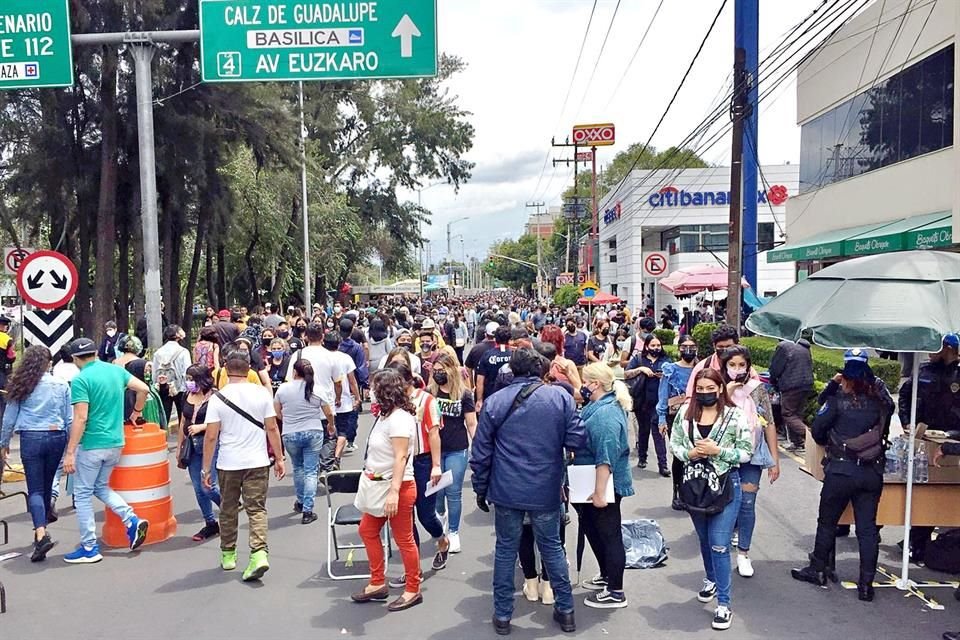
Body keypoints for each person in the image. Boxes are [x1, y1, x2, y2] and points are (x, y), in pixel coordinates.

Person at [471, 347, 585, 636]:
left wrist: (481, 488)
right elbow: (577, 438)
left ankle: (502, 614)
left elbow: (481, 452)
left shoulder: (496, 401)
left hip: (506, 488)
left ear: (512, 370)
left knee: (506, 550)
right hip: (545, 487)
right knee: (552, 548)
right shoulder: (559, 397)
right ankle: (566, 610)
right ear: (540, 369)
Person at [791, 354, 891, 602]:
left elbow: (818, 430)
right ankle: (866, 585)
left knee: (827, 522)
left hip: (841, 471)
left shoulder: (837, 401)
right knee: (867, 529)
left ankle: (817, 569)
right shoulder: (880, 404)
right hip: (871, 472)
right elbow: (888, 417)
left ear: (846, 379)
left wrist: (832, 386)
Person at [670, 368, 752, 631]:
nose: (705, 393)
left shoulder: (735, 416)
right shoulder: (686, 413)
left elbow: (746, 452)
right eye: (700, 389)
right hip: (695, 486)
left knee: (719, 544)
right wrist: (690, 454)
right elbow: (675, 444)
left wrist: (719, 451)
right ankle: (711, 578)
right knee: (704, 539)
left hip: (726, 486)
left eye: (710, 388)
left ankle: (724, 604)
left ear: (720, 389)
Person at [62, 337, 152, 564]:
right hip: (116, 442)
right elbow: (143, 388)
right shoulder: (115, 371)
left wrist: (70, 452)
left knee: (82, 494)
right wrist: (136, 412)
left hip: (92, 444)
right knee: (100, 487)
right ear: (95, 353)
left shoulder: (81, 380)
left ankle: (89, 547)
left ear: (75, 358)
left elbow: (80, 417)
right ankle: (131, 519)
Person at [201, 349, 286, 582]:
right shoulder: (262, 394)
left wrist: (206, 468)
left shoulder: (217, 398)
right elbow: (272, 428)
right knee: (256, 509)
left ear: (226, 369)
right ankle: (258, 554)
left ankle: (228, 554)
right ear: (249, 369)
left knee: (228, 508)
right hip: (257, 461)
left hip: (228, 462)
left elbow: (211, 436)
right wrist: (279, 458)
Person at [351, 368, 422, 611]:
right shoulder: (385, 416)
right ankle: (377, 582)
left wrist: (394, 492)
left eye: (373, 388)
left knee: (403, 539)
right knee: (367, 530)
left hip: (396, 487)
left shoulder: (399, 419)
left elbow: (401, 457)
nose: (370, 392)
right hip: (380, 485)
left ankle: (412, 588)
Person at [0, 346, 72, 562]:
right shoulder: (61, 384)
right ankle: (41, 526)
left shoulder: (22, 385)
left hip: (31, 437)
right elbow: (68, 417)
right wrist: (72, 448)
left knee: (35, 489)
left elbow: (9, 419)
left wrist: (4, 443)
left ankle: (41, 533)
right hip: (56, 436)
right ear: (48, 363)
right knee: (48, 485)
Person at [573, 363, 634, 609]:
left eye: (585, 381)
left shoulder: (605, 414)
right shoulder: (597, 406)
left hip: (604, 484)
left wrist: (599, 493)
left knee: (609, 534)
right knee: (593, 529)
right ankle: (607, 574)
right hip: (590, 480)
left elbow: (605, 457)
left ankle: (616, 591)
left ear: (595, 384)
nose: (582, 386)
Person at [384, 361, 450, 585]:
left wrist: (436, 465)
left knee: (425, 514)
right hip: (400, 462)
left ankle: (442, 539)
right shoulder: (392, 403)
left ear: (406, 381)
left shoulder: (427, 400)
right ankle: (413, 568)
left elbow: (434, 433)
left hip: (422, 461)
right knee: (405, 517)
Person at [718, 345, 780, 578]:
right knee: (724, 503)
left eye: (741, 365)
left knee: (747, 503)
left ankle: (743, 553)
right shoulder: (716, 386)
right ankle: (720, 550)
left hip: (752, 455)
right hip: (723, 454)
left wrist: (774, 460)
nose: (737, 369)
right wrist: (726, 392)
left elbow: (769, 423)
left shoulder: (757, 389)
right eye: (732, 365)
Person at [898, 334, 960, 564]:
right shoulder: (924, 370)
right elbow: (905, 395)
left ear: (948, 348)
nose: (930, 352)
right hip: (924, 438)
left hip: (951, 443)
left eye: (935, 347)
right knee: (916, 488)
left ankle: (921, 542)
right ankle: (914, 538)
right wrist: (906, 421)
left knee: (939, 493)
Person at [275, 358, 336, 524]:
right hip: (313, 431)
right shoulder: (316, 389)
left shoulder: (283, 389)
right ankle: (308, 510)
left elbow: (277, 412)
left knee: (298, 468)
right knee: (311, 471)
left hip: (290, 433)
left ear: (294, 372)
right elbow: (328, 412)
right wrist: (331, 425)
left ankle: (301, 501)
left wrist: (288, 420)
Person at [428, 352, 477, 555]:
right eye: (435, 370)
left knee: (454, 492)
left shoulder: (464, 394)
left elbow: (471, 423)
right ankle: (440, 517)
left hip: (457, 448)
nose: (438, 374)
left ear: (451, 370)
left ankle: (454, 532)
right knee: (438, 492)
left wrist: (479, 447)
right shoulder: (429, 393)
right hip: (434, 450)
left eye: (441, 370)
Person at [176, 364, 222, 542]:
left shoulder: (215, 397)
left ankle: (227, 507)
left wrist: (202, 427)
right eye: (187, 379)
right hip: (191, 447)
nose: (189, 382)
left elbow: (222, 422)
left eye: (192, 379)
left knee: (208, 486)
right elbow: (183, 421)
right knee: (198, 488)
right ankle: (210, 523)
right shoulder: (187, 396)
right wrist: (179, 447)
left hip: (209, 444)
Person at [657, 335, 699, 510]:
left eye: (692, 346)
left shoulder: (701, 368)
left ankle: (695, 493)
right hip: (675, 417)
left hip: (699, 416)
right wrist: (661, 419)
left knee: (698, 455)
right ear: (679, 349)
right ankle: (678, 493)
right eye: (684, 346)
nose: (688, 350)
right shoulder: (670, 370)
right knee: (680, 455)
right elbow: (663, 395)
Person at [625, 333, 671, 474]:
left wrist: (665, 375)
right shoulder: (639, 359)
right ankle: (642, 457)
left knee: (659, 433)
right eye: (653, 345)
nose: (656, 348)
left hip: (659, 403)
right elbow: (626, 374)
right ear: (646, 346)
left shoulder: (665, 360)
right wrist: (641, 369)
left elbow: (673, 376)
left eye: (658, 345)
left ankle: (663, 464)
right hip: (642, 401)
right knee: (643, 430)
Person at [768, 336, 814, 452]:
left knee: (788, 414)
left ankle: (811, 436)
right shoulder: (804, 346)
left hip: (791, 385)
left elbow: (775, 368)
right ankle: (798, 443)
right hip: (806, 384)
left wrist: (773, 381)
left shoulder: (784, 346)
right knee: (796, 414)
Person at [322, 331, 360, 470]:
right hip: (343, 401)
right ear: (339, 344)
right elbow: (352, 380)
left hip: (324, 401)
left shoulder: (322, 358)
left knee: (328, 432)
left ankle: (327, 458)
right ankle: (336, 458)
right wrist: (357, 397)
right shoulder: (345, 358)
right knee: (342, 431)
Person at [685, 324, 747, 398]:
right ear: (714, 346)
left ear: (737, 346)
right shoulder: (702, 367)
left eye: (729, 347)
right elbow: (690, 397)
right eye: (720, 347)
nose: (725, 350)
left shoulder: (745, 368)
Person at [152, 324, 191, 423]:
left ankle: (163, 432)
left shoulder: (158, 352)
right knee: (182, 416)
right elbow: (187, 371)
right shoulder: (183, 352)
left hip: (163, 385)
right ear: (177, 335)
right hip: (180, 387)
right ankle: (181, 433)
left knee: (164, 415)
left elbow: (154, 373)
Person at [475, 326, 513, 411]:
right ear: (509, 339)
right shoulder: (515, 355)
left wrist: (479, 400)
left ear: (495, 339)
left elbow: (480, 380)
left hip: (491, 397)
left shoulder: (487, 355)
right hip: (510, 398)